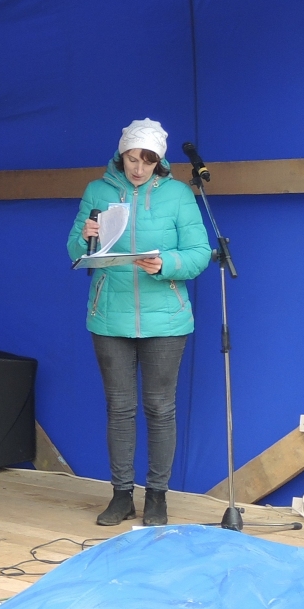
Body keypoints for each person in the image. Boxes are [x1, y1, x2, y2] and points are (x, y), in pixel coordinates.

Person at [67, 119, 209, 528]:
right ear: (121, 155)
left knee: (160, 408)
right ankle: (121, 496)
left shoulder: (179, 195)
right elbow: (75, 251)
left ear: (159, 161)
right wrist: (85, 236)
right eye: (132, 159)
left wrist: (167, 264)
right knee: (120, 408)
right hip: (109, 317)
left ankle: (157, 497)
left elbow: (200, 252)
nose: (138, 168)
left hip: (166, 319)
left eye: (148, 161)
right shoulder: (97, 190)